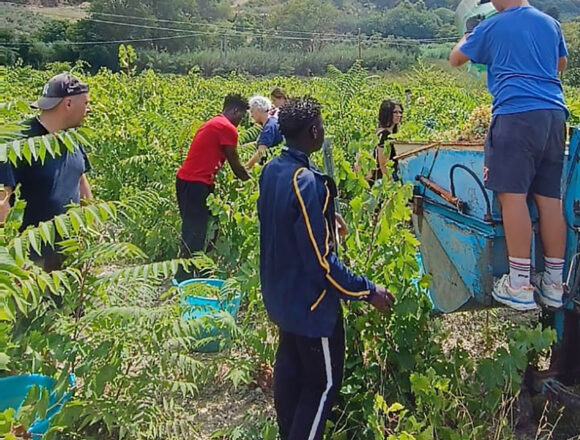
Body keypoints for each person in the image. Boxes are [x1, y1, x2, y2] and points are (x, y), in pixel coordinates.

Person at [257, 97, 394, 440]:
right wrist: (368, 290)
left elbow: (282, 222)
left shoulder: (274, 170)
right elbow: (321, 265)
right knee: (322, 386)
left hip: (281, 298)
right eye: (321, 124)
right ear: (314, 131)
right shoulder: (306, 181)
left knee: (290, 371)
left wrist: (324, 220)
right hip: (312, 307)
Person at [449, 0, 568, 310]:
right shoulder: (549, 23)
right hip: (554, 116)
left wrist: (468, 32)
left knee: (512, 196)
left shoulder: (491, 25)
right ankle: (554, 283)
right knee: (549, 200)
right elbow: (560, 65)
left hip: (516, 116)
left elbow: (456, 59)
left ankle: (518, 282)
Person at [0, 72, 92, 271]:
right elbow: (2, 201)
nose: (89, 109)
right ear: (68, 104)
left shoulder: (73, 139)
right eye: (85, 103)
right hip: (31, 261)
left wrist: (91, 226)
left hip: (69, 253)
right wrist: (15, 258)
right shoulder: (18, 142)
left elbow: (81, 181)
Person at [175, 94, 250, 282]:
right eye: (241, 116)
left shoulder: (214, 122)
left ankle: (196, 270)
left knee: (202, 229)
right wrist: (254, 183)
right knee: (195, 232)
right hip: (195, 184)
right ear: (234, 111)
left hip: (190, 182)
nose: (241, 122)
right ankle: (184, 277)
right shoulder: (227, 128)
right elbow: (236, 165)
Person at [245, 95, 283, 169]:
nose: (251, 115)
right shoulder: (273, 122)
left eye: (252, 111)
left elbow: (261, 152)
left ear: (258, 110)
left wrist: (246, 168)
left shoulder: (269, 128)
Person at [370, 99, 403, 185]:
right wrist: (391, 184)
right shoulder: (385, 135)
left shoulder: (383, 133)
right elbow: (383, 164)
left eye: (400, 112)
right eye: (395, 112)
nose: (399, 115)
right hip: (382, 181)